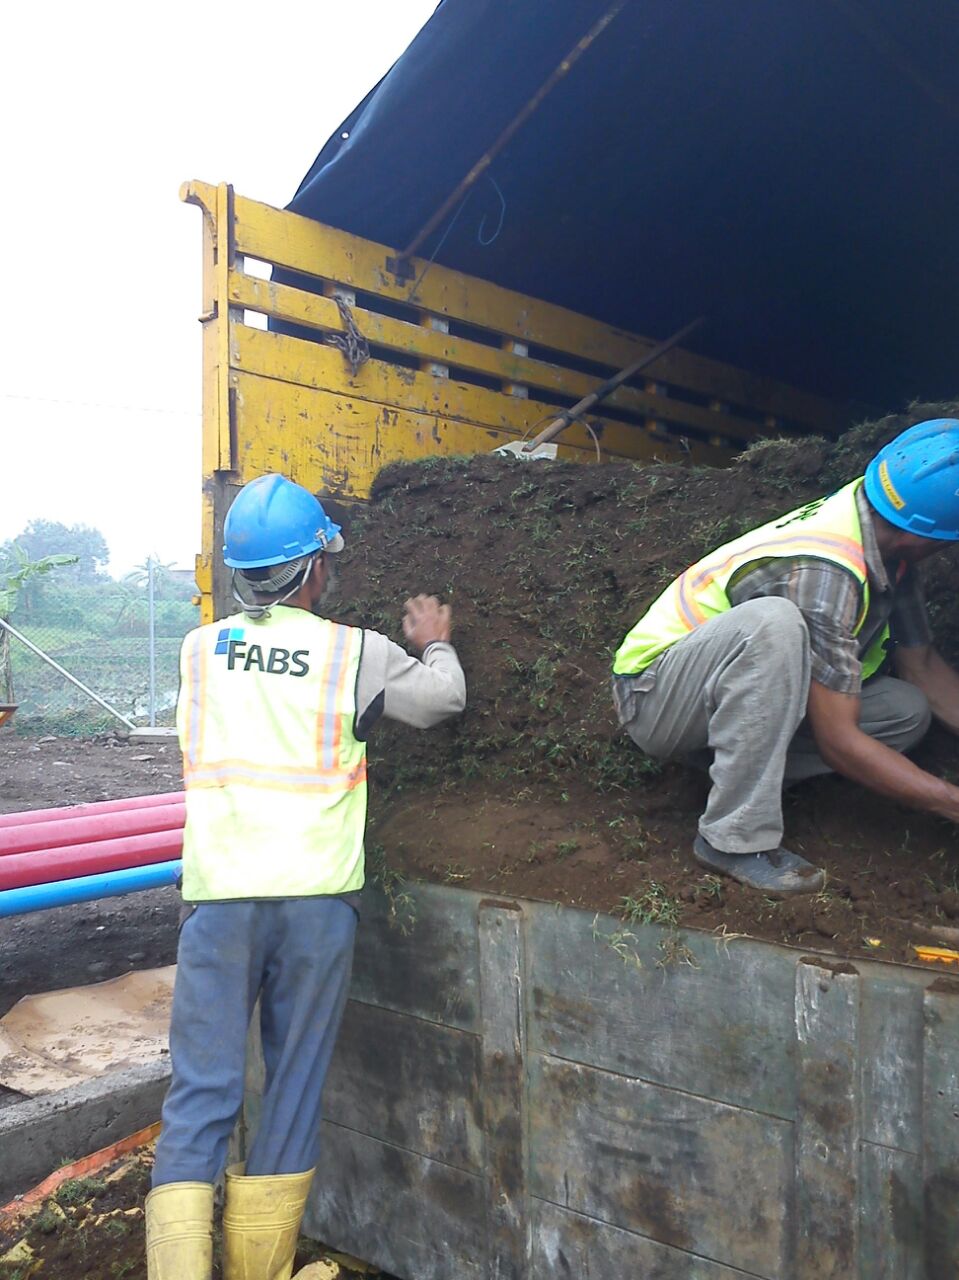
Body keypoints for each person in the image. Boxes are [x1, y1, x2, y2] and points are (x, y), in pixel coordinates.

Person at [145, 473, 466, 1280]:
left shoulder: (196, 652)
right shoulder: (352, 651)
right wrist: (434, 639)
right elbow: (441, 702)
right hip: (316, 904)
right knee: (290, 1087)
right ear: (315, 571)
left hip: (218, 902)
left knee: (200, 1094)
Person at [612, 419, 959, 895]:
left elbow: (923, 668)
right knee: (774, 624)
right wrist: (950, 802)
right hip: (656, 696)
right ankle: (731, 839)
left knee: (905, 710)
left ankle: (730, 766)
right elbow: (838, 742)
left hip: (725, 695)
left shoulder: (879, 521)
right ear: (925, 537)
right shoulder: (826, 573)